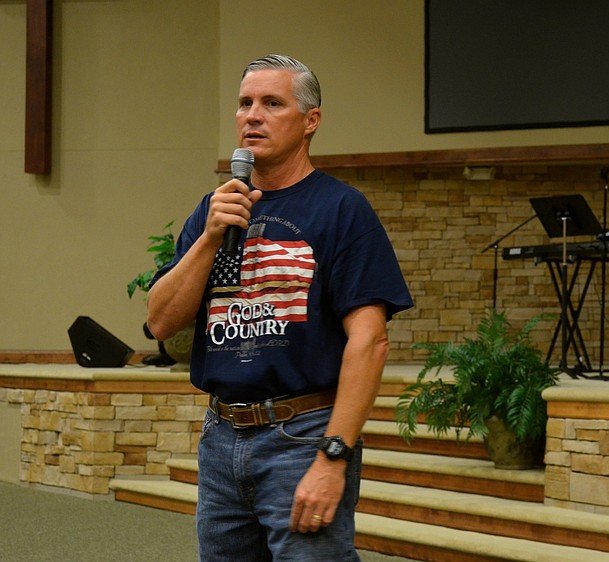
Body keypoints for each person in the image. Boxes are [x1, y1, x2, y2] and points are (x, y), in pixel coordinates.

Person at [146, 54, 413, 561]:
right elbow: (161, 321)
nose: (253, 115)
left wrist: (333, 456)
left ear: (310, 121)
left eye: (272, 103)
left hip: (303, 435)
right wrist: (208, 238)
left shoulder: (340, 209)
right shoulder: (215, 209)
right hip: (222, 437)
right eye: (245, 103)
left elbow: (370, 340)